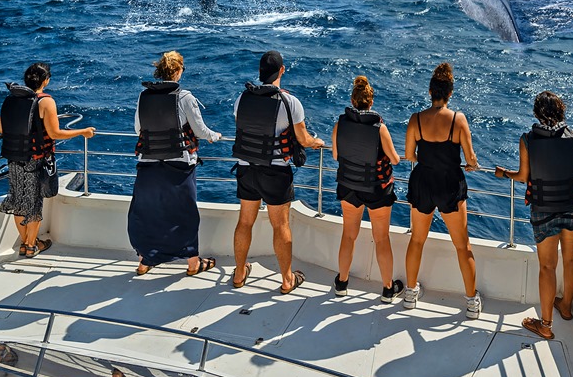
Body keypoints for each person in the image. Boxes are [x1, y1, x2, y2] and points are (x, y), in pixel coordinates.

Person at [494, 90, 573, 341]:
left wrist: (504, 173)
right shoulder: (572, 135)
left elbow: (523, 177)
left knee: (547, 266)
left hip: (544, 211)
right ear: (560, 111)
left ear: (537, 113)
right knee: (571, 259)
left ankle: (546, 325)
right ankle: (566, 307)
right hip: (572, 207)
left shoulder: (527, 139)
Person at [231, 50, 324, 294]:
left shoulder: (242, 98)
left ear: (260, 72)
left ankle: (239, 273)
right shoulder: (289, 102)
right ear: (282, 70)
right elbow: (303, 139)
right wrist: (315, 142)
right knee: (280, 225)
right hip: (275, 171)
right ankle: (286, 280)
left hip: (246, 168)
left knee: (244, 222)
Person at [129, 51, 222, 277]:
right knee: (184, 214)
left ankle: (145, 261)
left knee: (148, 213)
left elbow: (138, 129)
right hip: (179, 166)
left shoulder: (144, 96)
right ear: (178, 71)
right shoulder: (185, 97)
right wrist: (214, 136)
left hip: (148, 164)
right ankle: (193, 263)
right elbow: (200, 131)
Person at [402, 62, 482, 319]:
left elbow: (409, 154)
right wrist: (472, 164)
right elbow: (470, 159)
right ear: (450, 93)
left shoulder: (416, 119)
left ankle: (410, 294)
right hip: (449, 183)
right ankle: (471, 303)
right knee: (462, 245)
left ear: (430, 92)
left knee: (417, 240)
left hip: (423, 181)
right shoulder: (458, 120)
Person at [0, 62, 95, 258]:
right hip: (35, 160)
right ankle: (31, 246)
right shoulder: (45, 101)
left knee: (18, 201)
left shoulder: (11, 99)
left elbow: (0, 129)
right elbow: (55, 133)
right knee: (34, 202)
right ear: (46, 81)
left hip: (14, 158)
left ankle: (25, 243)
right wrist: (83, 131)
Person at [331, 75, 403, 302]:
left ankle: (342, 283)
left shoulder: (340, 124)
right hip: (376, 189)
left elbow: (335, 155)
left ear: (352, 101)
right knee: (381, 239)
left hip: (349, 186)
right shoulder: (380, 129)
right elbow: (395, 159)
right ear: (371, 102)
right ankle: (388, 289)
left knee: (348, 235)